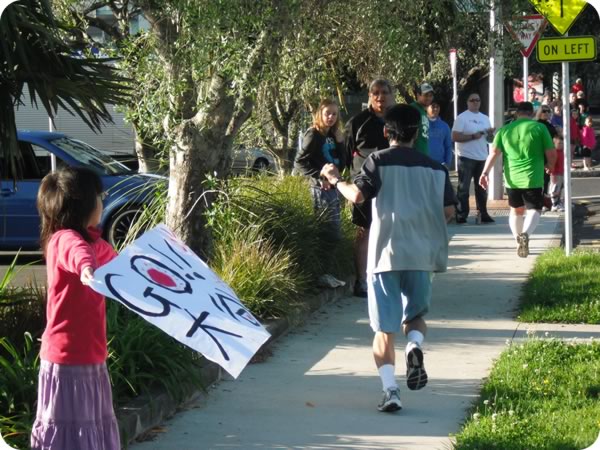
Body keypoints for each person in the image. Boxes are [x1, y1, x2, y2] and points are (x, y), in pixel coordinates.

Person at [321, 104, 455, 412]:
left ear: (386, 132)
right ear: (417, 133)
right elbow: (448, 211)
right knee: (416, 316)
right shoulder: (436, 168)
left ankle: (391, 390)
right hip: (421, 254)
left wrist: (334, 177)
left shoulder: (377, 161)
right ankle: (415, 346)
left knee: (384, 330)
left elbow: (357, 196)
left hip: (385, 254)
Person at [31, 167, 120, 450]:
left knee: (90, 425)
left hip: (91, 355)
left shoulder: (97, 244)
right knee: (70, 430)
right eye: (99, 196)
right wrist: (85, 269)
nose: (102, 202)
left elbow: (121, 265)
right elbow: (76, 253)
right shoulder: (62, 240)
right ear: (85, 205)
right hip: (67, 359)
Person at [479, 102, 556, 258]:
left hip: (512, 179)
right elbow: (551, 152)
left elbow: (493, 154)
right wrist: (550, 166)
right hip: (533, 177)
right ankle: (526, 235)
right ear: (532, 113)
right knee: (534, 209)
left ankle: (517, 240)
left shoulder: (505, 130)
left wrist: (484, 173)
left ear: (516, 113)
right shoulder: (539, 128)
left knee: (516, 211)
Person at [345, 79, 394, 297]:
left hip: (393, 181)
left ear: (391, 95)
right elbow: (346, 154)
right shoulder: (358, 122)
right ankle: (362, 280)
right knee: (364, 231)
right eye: (375, 93)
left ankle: (388, 277)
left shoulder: (398, 120)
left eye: (384, 92)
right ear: (369, 96)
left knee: (391, 230)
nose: (380, 97)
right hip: (363, 185)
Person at [295, 99, 346, 238]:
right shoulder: (313, 135)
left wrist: (341, 143)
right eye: (327, 113)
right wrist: (319, 175)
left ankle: (332, 258)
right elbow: (299, 162)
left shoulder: (333, 134)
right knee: (327, 232)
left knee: (334, 230)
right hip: (321, 189)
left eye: (334, 114)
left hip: (335, 187)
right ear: (320, 114)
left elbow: (343, 163)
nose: (331, 117)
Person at [451, 92, 495, 224]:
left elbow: (489, 139)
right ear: (467, 102)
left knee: (482, 188)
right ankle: (462, 214)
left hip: (482, 156)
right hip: (466, 157)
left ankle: (483, 213)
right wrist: (471, 137)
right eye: (472, 100)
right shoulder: (462, 118)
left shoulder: (485, 118)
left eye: (478, 100)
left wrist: (490, 134)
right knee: (464, 188)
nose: (475, 102)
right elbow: (454, 137)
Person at [410, 82, 434, 155]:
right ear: (418, 95)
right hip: (414, 156)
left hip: (423, 156)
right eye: (426, 95)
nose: (429, 98)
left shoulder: (423, 111)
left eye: (431, 95)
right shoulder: (413, 108)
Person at [427, 101, 453, 166]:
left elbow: (448, 146)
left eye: (437, 107)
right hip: (423, 164)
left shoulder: (445, 126)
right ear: (426, 107)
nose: (435, 109)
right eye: (433, 106)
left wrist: (447, 163)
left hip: (440, 164)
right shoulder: (421, 124)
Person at [548, 135, 565, 212]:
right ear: (554, 144)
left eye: (562, 143)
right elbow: (551, 163)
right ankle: (554, 205)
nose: (561, 145)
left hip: (561, 172)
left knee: (559, 188)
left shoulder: (562, 152)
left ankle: (558, 202)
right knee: (554, 188)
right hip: (555, 173)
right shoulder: (554, 153)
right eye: (559, 143)